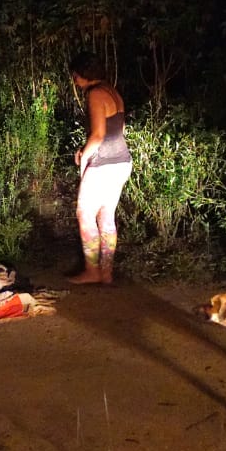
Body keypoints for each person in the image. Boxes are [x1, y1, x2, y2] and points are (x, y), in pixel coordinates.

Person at [69, 51, 132, 284]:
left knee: (84, 213)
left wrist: (84, 157)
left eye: (75, 75)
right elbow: (120, 130)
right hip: (121, 161)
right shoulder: (112, 91)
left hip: (103, 164)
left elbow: (98, 135)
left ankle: (91, 269)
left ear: (82, 74)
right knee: (106, 216)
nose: (74, 80)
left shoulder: (95, 94)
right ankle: (106, 273)